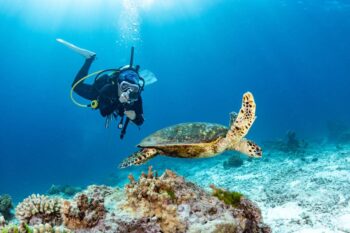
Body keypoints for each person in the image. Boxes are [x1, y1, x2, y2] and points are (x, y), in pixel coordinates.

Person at [57, 39, 148, 139]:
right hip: (100, 93)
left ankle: (90, 59)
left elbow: (141, 121)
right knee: (76, 86)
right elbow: (104, 112)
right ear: (118, 83)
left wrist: (134, 117)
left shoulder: (136, 97)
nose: (128, 91)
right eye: (124, 86)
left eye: (133, 88)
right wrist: (119, 101)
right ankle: (89, 59)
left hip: (115, 105)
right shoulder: (109, 88)